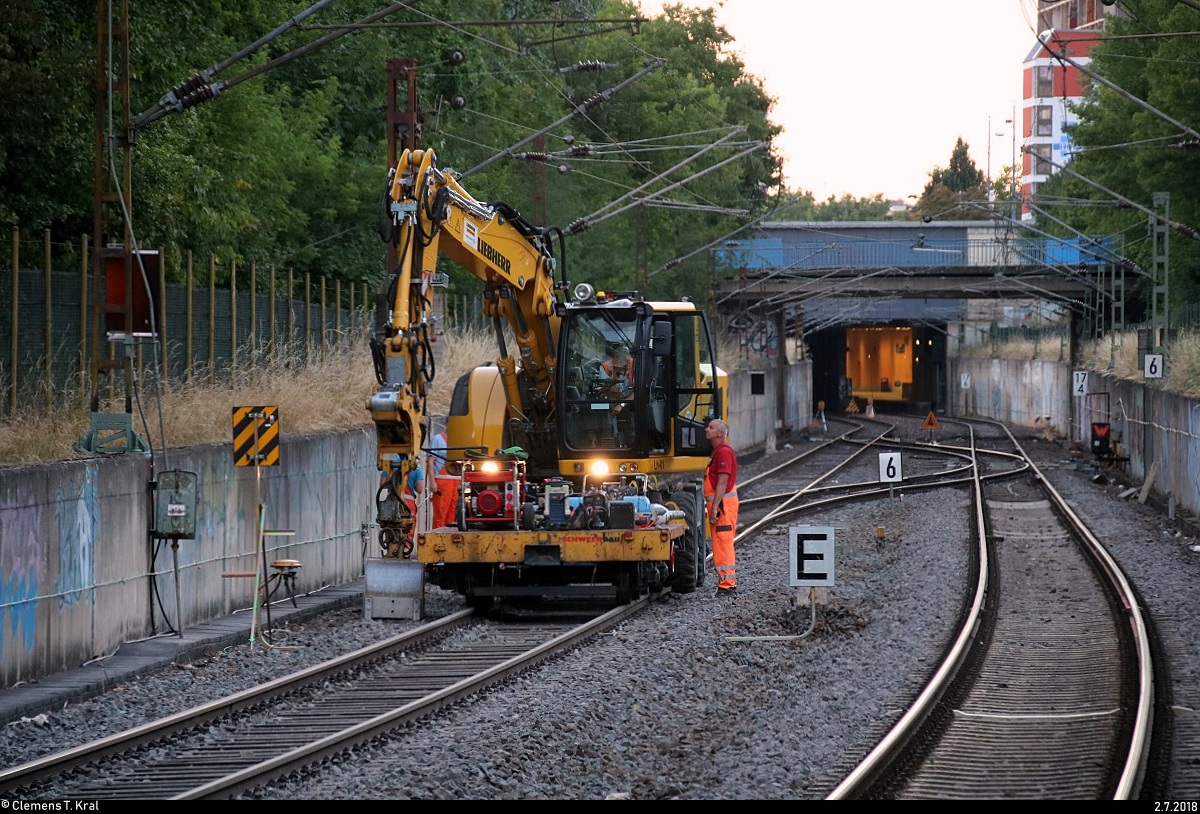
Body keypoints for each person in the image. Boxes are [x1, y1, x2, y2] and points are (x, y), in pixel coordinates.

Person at [704, 418, 738, 594]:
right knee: (720, 543)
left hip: (723, 506)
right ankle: (725, 583)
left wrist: (715, 507)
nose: (706, 429)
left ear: (719, 433)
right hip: (721, 505)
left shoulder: (723, 452)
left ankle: (727, 585)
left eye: (711, 427)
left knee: (724, 543)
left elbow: (722, 482)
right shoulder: (718, 451)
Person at [428, 429, 458, 529]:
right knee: (440, 513)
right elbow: (430, 461)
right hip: (442, 482)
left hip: (456, 481)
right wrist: (432, 482)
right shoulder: (437, 439)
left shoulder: (459, 440)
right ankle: (437, 540)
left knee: (453, 514)